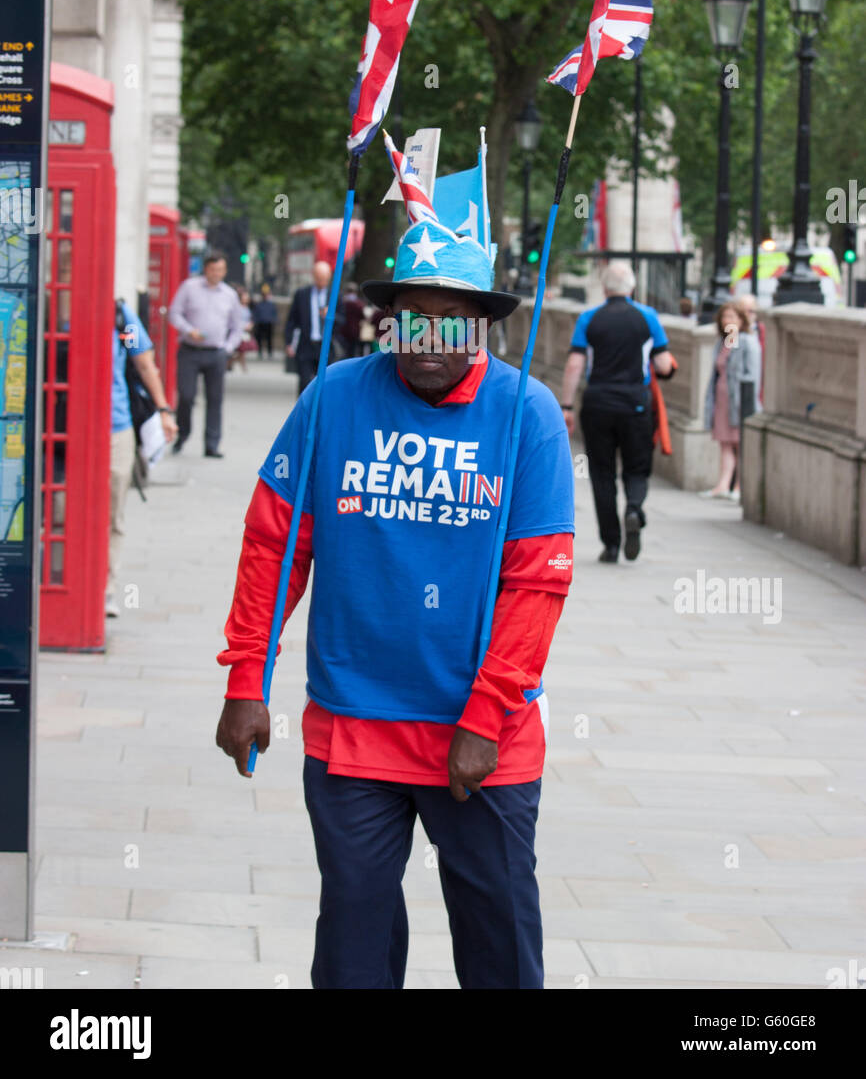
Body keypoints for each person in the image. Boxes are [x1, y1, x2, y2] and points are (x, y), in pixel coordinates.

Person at [215, 167, 575, 990]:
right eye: (411, 316)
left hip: (481, 731)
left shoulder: (530, 417)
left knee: (498, 938)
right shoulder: (334, 398)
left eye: (453, 320)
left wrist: (488, 716)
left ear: (484, 325)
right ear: (385, 319)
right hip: (354, 726)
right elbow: (275, 544)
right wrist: (247, 676)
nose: (428, 339)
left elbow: (537, 585)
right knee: (353, 943)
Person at [560, 262, 675, 563]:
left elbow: (575, 364)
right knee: (637, 468)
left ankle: (611, 544)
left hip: (598, 404)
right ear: (632, 287)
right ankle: (634, 508)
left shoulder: (588, 318)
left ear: (605, 288)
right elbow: (663, 364)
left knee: (602, 473)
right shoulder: (648, 317)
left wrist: (567, 406)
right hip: (636, 403)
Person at [108, 300, 177, 617]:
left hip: (116, 426)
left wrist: (163, 410)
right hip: (60, 425)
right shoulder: (49, 307)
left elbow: (144, 363)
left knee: (112, 513)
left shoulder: (121, 317)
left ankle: (107, 589)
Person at [167, 253, 247, 458]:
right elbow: (174, 313)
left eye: (220, 270)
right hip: (190, 350)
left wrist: (228, 348)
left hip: (216, 353)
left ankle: (212, 444)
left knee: (215, 399)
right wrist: (187, 329)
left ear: (225, 271)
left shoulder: (229, 294)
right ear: (206, 269)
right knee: (186, 395)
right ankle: (182, 434)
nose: (216, 274)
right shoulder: (189, 287)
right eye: (213, 270)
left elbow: (237, 326)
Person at [700, 299, 762, 502]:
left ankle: (739, 486)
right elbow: (722, 367)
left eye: (732, 317)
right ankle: (723, 484)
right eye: (725, 316)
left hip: (739, 400)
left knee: (740, 444)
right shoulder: (727, 341)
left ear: (741, 319)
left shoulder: (748, 342)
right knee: (725, 443)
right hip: (722, 398)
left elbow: (752, 374)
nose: (728, 320)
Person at [284, 260, 343, 393]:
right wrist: (289, 342)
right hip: (306, 345)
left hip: (326, 345)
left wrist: (330, 315)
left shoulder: (335, 296)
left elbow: (342, 321)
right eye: (319, 278)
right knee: (304, 383)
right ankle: (304, 412)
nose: (321, 282)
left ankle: (321, 413)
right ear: (314, 276)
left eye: (324, 279)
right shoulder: (302, 294)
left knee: (325, 384)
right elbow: (292, 320)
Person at [251, 284, 277, 359]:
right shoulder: (259, 304)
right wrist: (255, 321)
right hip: (260, 323)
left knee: (269, 339)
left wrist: (274, 320)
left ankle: (270, 352)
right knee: (259, 339)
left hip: (269, 323)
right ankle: (260, 352)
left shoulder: (271, 304)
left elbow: (274, 314)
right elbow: (255, 313)